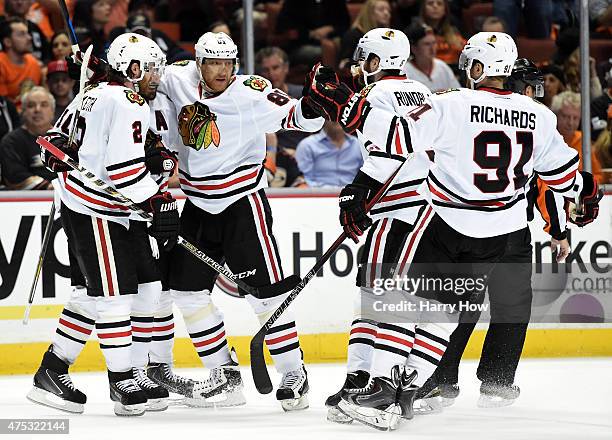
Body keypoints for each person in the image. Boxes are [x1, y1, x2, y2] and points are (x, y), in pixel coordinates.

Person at [306, 31, 601, 431]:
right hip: (499, 233)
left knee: (400, 298)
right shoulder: (540, 116)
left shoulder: (453, 104)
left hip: (444, 220)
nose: (466, 68)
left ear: (479, 66)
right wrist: (589, 195)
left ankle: (381, 390)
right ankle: (407, 391)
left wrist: (345, 106)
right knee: (443, 313)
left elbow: (395, 139)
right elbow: (567, 178)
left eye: (470, 62)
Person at [157, 31, 324, 411]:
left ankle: (294, 373)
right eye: (214, 63)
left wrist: (313, 105)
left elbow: (300, 118)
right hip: (197, 207)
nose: (222, 71)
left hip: (241, 206)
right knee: (185, 291)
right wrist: (99, 72)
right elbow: (145, 77)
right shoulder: (178, 76)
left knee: (269, 295)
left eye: (228, 63)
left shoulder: (252, 92)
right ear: (199, 63)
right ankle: (224, 376)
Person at [27, 32, 180, 417]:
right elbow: (123, 170)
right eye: (150, 70)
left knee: (124, 290)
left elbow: (58, 136)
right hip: (96, 210)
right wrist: (159, 198)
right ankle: (121, 378)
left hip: (93, 204)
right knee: (113, 296)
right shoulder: (127, 99)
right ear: (131, 69)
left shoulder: (93, 91)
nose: (156, 78)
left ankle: (53, 370)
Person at [419, 59, 572, 409]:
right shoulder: (533, 122)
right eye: (530, 87)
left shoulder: (465, 111)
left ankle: (441, 379)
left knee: (461, 303)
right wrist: (559, 229)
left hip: (467, 225)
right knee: (510, 304)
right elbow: (548, 184)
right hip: (511, 229)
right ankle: (496, 381)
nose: (535, 94)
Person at [320, 27, 436, 425]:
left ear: (376, 61)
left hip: (397, 210)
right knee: (402, 302)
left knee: (376, 300)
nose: (359, 66)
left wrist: (358, 190)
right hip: (429, 210)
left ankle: (372, 386)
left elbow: (388, 151)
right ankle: (382, 384)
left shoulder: (376, 95)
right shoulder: (425, 92)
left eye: (364, 58)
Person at [0, 86, 54, 189]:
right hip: (26, 201)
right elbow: (14, 176)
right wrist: (50, 187)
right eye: (31, 105)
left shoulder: (65, 138)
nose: (37, 110)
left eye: (44, 105)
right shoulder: (11, 141)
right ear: (23, 111)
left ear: (52, 111)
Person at [275, 0, 350, 66]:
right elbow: (284, 26)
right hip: (302, 44)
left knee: (345, 51)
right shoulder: (293, 2)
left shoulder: (337, 1)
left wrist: (331, 28)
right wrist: (311, 34)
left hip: (332, 41)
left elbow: (345, 25)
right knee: (327, 53)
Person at [551, 91, 603, 182]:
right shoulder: (546, 139)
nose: (570, 123)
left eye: (575, 118)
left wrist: (584, 185)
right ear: (556, 115)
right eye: (566, 116)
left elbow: (598, 175)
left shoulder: (584, 140)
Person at [295, 121, 363, 187]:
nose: (337, 120)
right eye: (334, 115)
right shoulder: (307, 145)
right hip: (318, 194)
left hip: (351, 193)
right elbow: (306, 177)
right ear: (324, 119)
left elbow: (363, 174)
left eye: (340, 116)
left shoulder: (358, 144)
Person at [108, 12, 192, 64]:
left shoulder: (157, 36)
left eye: (142, 33)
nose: (139, 36)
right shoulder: (119, 37)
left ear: (149, 32)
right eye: (136, 33)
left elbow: (176, 51)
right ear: (127, 32)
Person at [404, 23, 460, 92]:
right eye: (427, 44)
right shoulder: (405, 72)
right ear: (414, 48)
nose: (432, 48)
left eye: (434, 43)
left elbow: (458, 93)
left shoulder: (442, 66)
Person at [0, 17, 42, 105]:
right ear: (8, 42)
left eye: (27, 33)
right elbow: (3, 105)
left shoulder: (34, 63)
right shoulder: (1, 64)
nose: (29, 38)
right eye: (21, 34)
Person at [338, 0, 392, 68]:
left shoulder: (388, 36)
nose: (387, 13)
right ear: (369, 13)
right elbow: (343, 64)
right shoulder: (353, 35)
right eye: (381, 10)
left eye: (389, 11)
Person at [414, 0, 465, 65]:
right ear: (423, 9)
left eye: (439, 4)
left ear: (445, 10)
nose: (435, 6)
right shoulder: (415, 32)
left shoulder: (454, 30)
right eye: (430, 3)